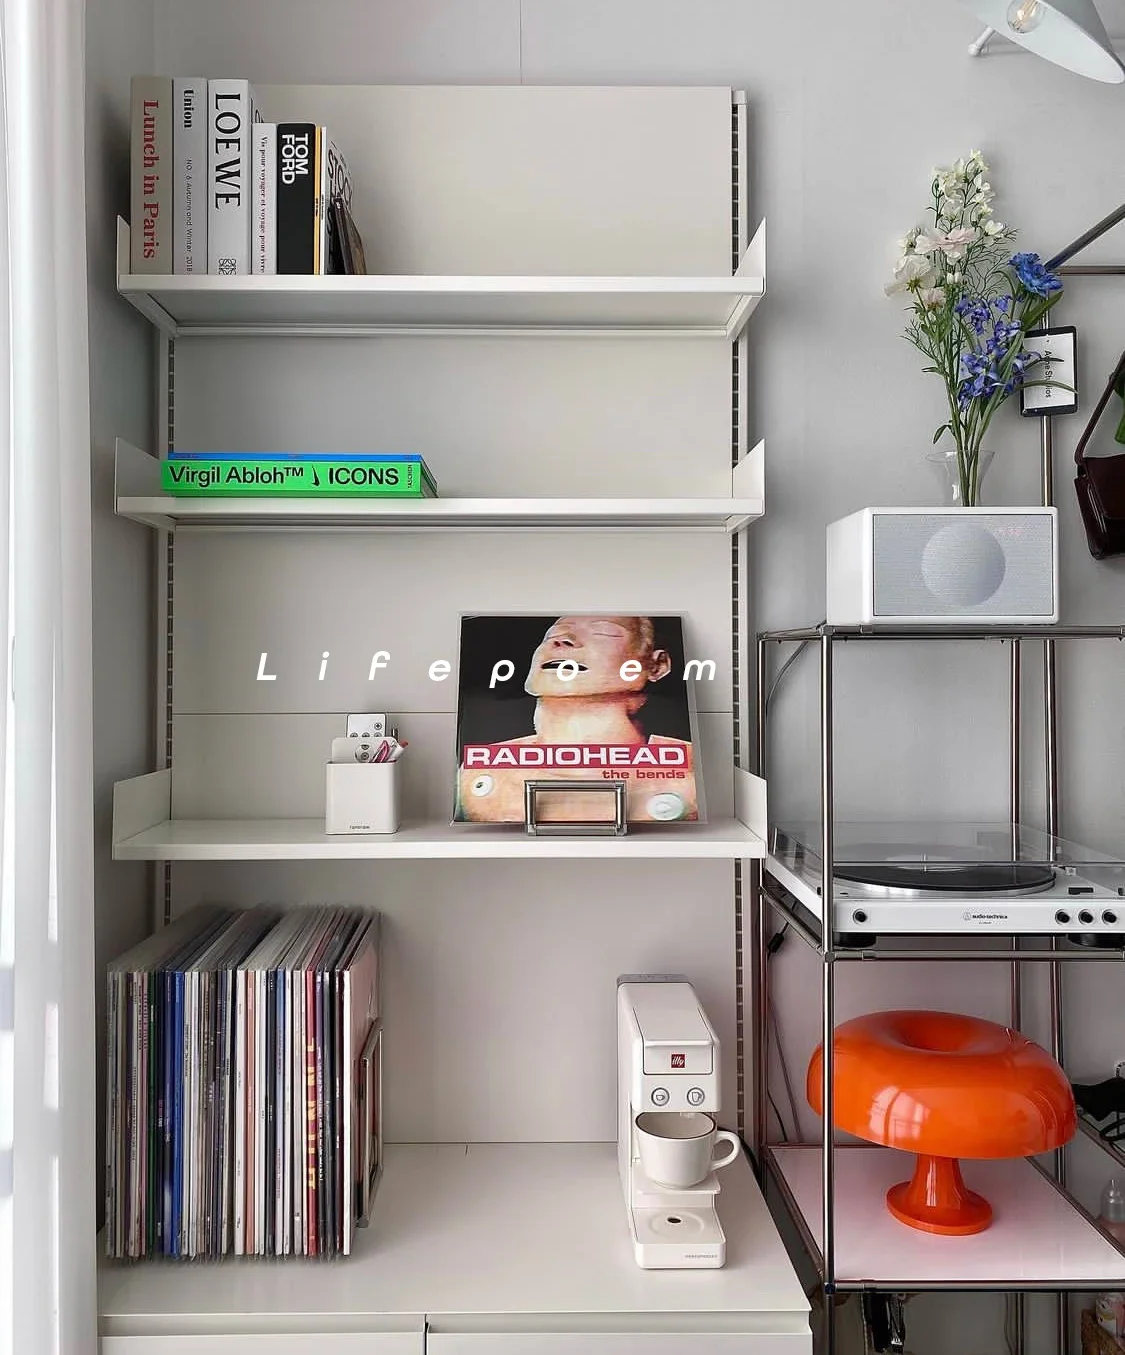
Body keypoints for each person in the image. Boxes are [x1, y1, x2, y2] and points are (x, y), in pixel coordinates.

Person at [457, 615, 698, 824]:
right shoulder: (479, 769)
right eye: (551, 636)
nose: (562, 640)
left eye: (602, 632)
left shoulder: (690, 770)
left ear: (656, 665)